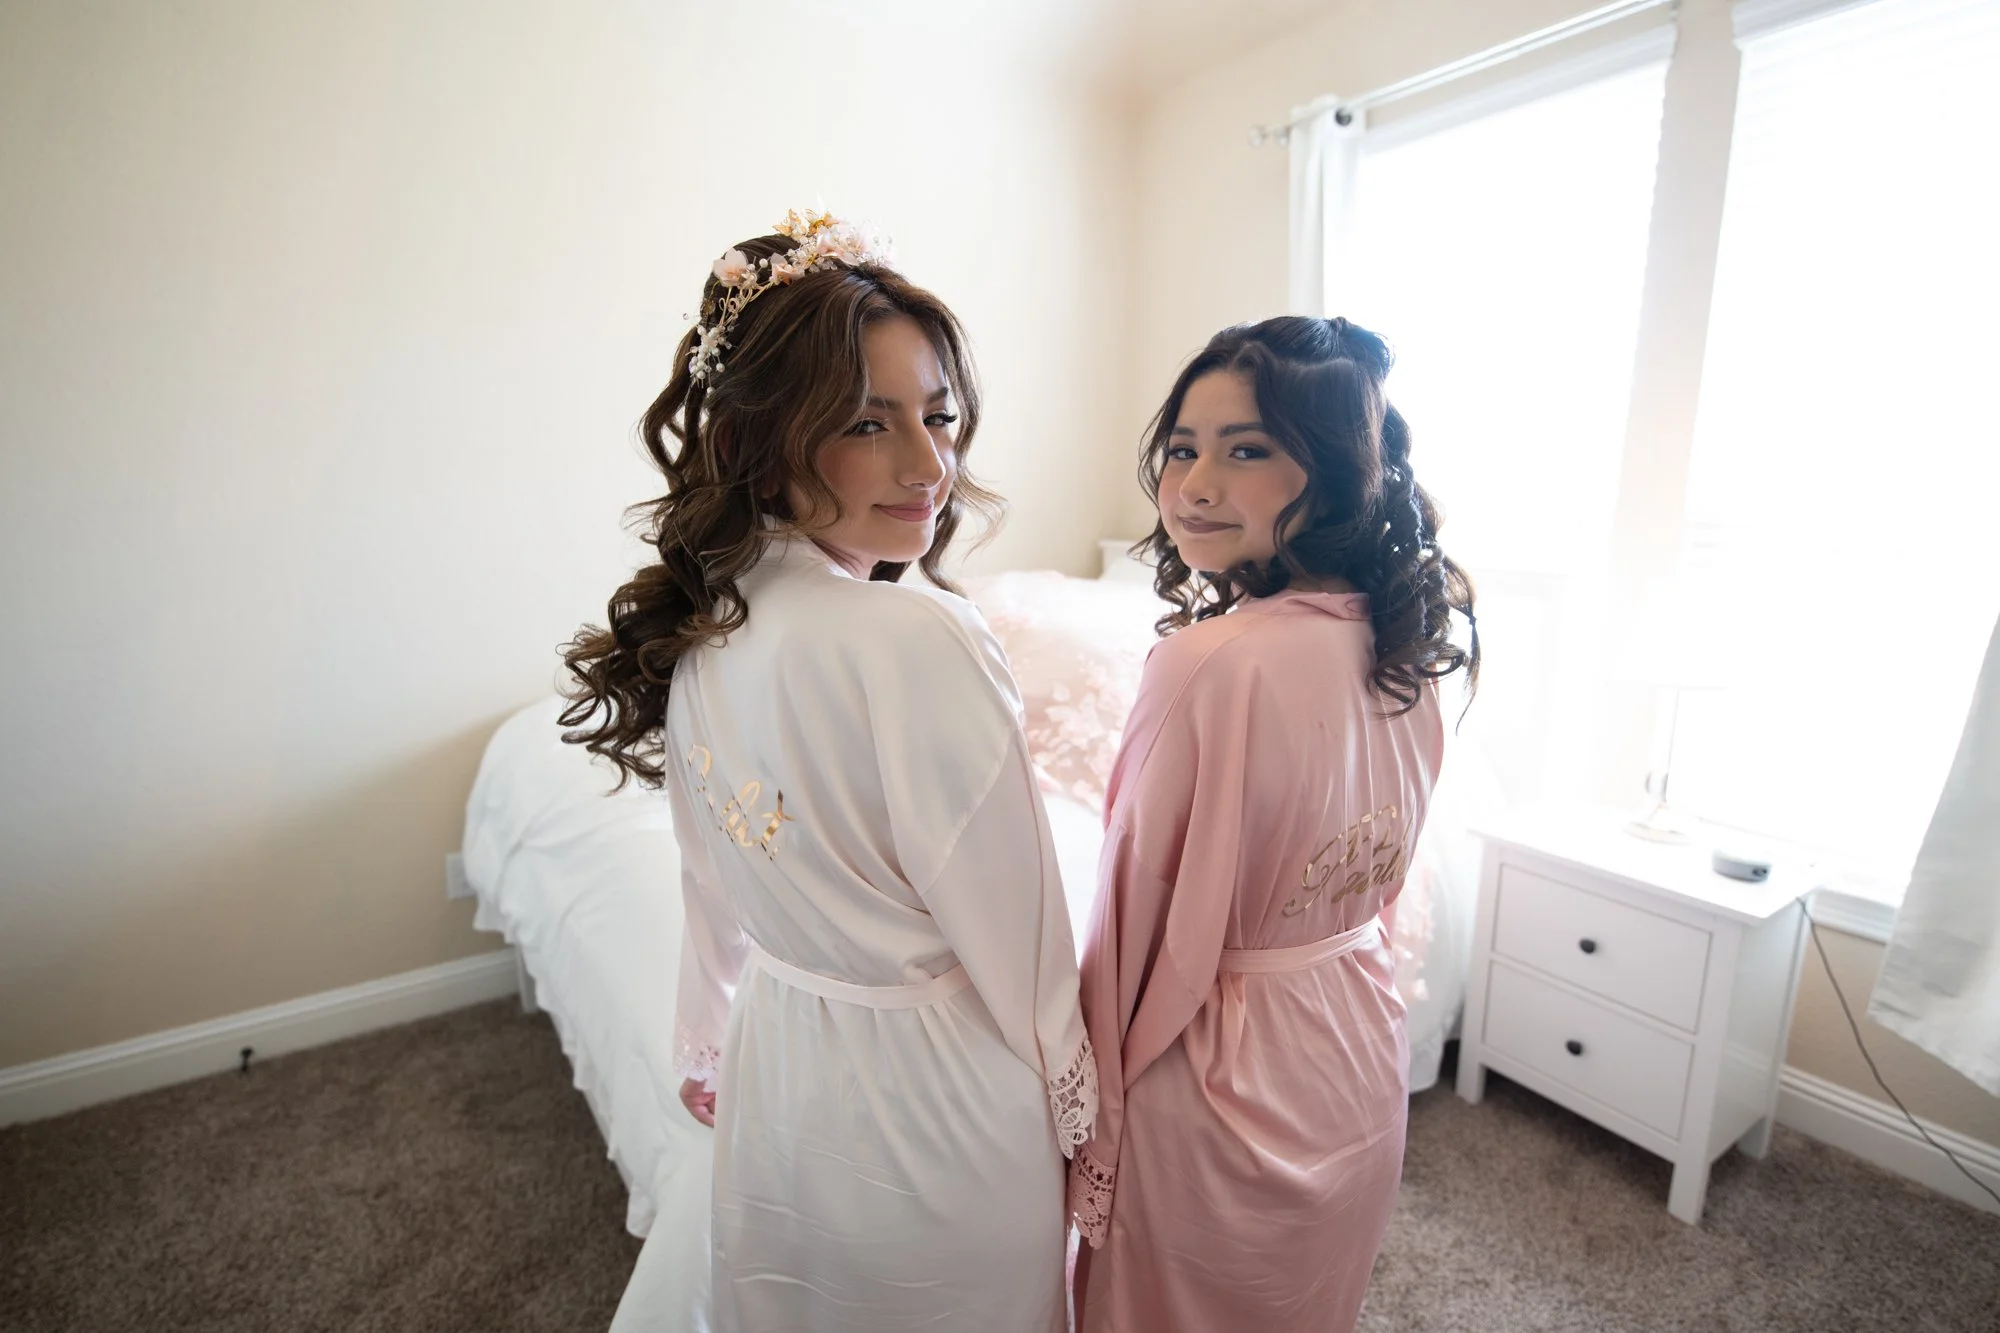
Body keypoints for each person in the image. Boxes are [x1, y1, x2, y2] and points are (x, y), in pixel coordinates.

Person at [561, 210, 1094, 1333]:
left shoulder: (711, 620)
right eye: (867, 422)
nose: (929, 464)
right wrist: (1082, 1111)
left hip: (781, 1076)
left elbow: (708, 872)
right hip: (937, 1105)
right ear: (765, 439)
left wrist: (703, 1027)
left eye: (938, 415)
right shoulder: (917, 636)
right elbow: (1021, 932)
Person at [1068, 315, 1477, 1333]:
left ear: (1332, 472)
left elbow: (1133, 927)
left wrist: (1089, 1116)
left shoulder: (1209, 663)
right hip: (1354, 1045)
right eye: (1180, 448)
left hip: (1215, 1085)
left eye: (1244, 449)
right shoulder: (1408, 648)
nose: (1193, 485)